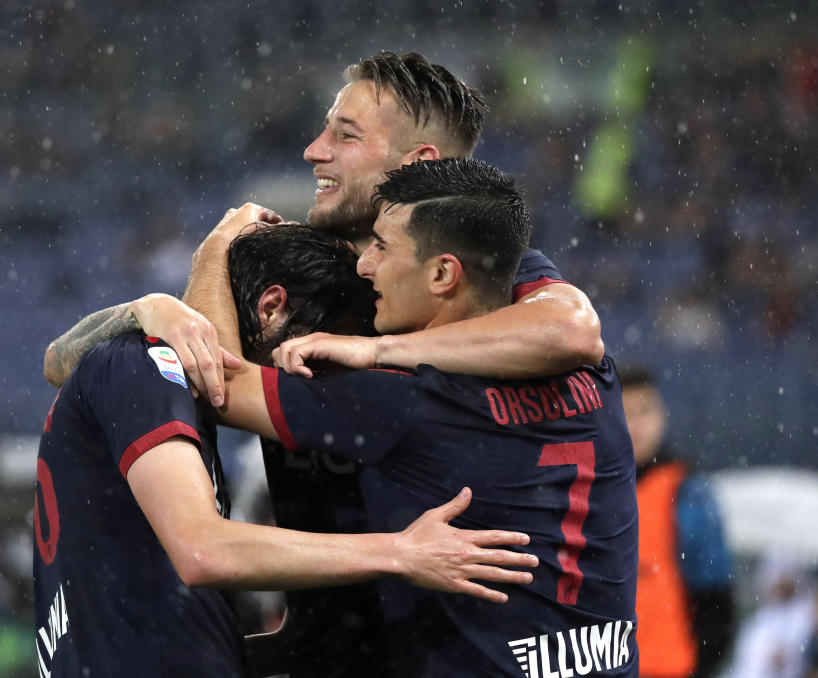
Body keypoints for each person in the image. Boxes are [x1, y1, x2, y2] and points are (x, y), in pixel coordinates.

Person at [40, 51, 605, 676]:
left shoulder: (467, 272)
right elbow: (81, 368)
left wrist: (376, 348)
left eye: (345, 134)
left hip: (447, 644)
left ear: (419, 166)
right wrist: (151, 308)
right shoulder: (299, 272)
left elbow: (575, 329)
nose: (314, 150)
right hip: (341, 646)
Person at [32, 221, 538, 677]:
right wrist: (402, 551)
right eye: (320, 349)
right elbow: (203, 550)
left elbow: (60, 360)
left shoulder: (149, 383)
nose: (320, 379)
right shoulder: (143, 366)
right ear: (272, 307)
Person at [201, 159, 639, 676]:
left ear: (442, 273)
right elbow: (565, 325)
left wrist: (214, 252)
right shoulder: (596, 376)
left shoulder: (403, 400)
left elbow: (220, 385)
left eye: (382, 246)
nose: (365, 266)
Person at [619, 367, 735, 678]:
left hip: (672, 665)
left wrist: (705, 662)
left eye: (644, 410)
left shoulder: (689, 491)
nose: (636, 423)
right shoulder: (592, 490)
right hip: (606, 666)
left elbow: (715, 594)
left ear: (662, 415)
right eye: (625, 412)